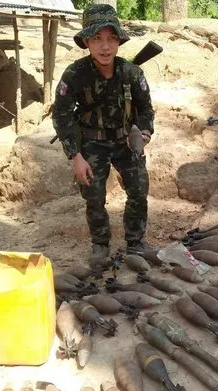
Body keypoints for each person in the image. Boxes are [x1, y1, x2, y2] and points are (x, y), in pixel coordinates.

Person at [52, 4, 154, 264]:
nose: (105, 46)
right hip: (92, 143)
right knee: (94, 196)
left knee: (139, 189)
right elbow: (61, 116)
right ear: (86, 41)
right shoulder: (74, 75)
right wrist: (75, 156)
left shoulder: (132, 73)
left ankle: (135, 242)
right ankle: (100, 244)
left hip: (125, 141)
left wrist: (143, 134)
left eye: (111, 38)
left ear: (119, 40)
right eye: (97, 39)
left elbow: (145, 110)